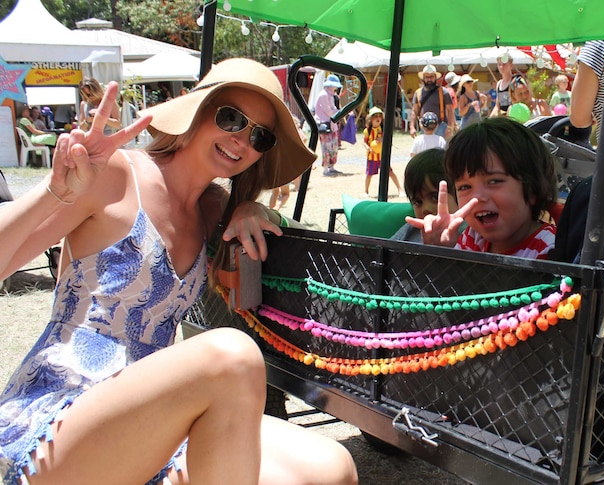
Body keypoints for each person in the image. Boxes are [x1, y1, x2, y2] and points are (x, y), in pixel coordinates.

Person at [0, 58, 358, 485]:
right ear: (196, 110)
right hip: (63, 420)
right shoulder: (115, 174)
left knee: (330, 468)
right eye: (231, 118)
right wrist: (54, 193)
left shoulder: (213, 213)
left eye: (259, 135)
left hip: (156, 425)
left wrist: (252, 208)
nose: (241, 140)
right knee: (232, 356)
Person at [405, 117, 557, 259]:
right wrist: (441, 252)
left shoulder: (549, 249)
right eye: (465, 187)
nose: (477, 197)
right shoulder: (473, 237)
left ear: (532, 189)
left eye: (494, 181)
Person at [391, 148, 460, 243]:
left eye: (435, 197)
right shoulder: (410, 230)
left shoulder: (470, 237)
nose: (426, 208)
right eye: (418, 202)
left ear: (459, 195)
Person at [363, 106, 405, 198]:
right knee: (369, 174)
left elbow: (388, 140)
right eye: (375, 116)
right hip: (372, 157)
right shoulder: (367, 131)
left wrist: (382, 139)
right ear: (370, 119)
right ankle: (366, 191)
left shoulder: (383, 129)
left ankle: (400, 189)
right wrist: (368, 148)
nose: (378, 118)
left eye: (380, 116)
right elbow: (365, 142)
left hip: (382, 156)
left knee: (390, 172)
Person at [409, 65, 456, 140]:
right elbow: (414, 111)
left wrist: (450, 127)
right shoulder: (418, 93)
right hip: (424, 128)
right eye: (427, 77)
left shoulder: (443, 92)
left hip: (441, 127)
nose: (429, 79)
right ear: (423, 78)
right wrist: (412, 127)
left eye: (431, 77)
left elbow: (450, 110)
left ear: (435, 78)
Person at [316, 74, 343, 176]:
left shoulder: (331, 95)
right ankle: (326, 168)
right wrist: (339, 113)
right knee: (326, 146)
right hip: (325, 123)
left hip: (332, 123)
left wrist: (338, 112)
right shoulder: (323, 95)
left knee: (334, 146)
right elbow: (328, 111)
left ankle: (331, 166)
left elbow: (333, 109)